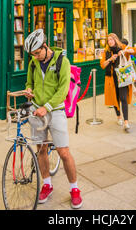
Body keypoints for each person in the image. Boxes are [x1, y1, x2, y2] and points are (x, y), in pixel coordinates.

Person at [24, 29, 82, 209]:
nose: (35, 56)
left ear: (45, 46)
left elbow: (63, 90)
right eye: (32, 54)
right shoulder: (33, 63)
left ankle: (75, 189)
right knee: (41, 150)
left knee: (63, 152)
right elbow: (29, 82)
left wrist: (46, 107)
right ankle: (47, 184)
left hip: (55, 111)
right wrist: (28, 90)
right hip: (37, 111)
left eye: (37, 53)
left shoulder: (62, 61)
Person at [100, 33, 136, 132]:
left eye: (111, 40)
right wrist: (110, 59)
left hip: (123, 78)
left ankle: (126, 122)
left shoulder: (122, 47)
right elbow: (102, 65)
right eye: (108, 40)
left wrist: (128, 50)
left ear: (116, 40)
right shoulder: (106, 51)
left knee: (123, 98)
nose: (110, 42)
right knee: (115, 99)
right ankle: (119, 117)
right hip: (111, 79)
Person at [121, 39, 136, 106]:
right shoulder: (123, 49)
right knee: (127, 85)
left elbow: (135, 50)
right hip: (126, 70)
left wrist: (126, 50)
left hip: (125, 71)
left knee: (130, 85)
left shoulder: (127, 49)